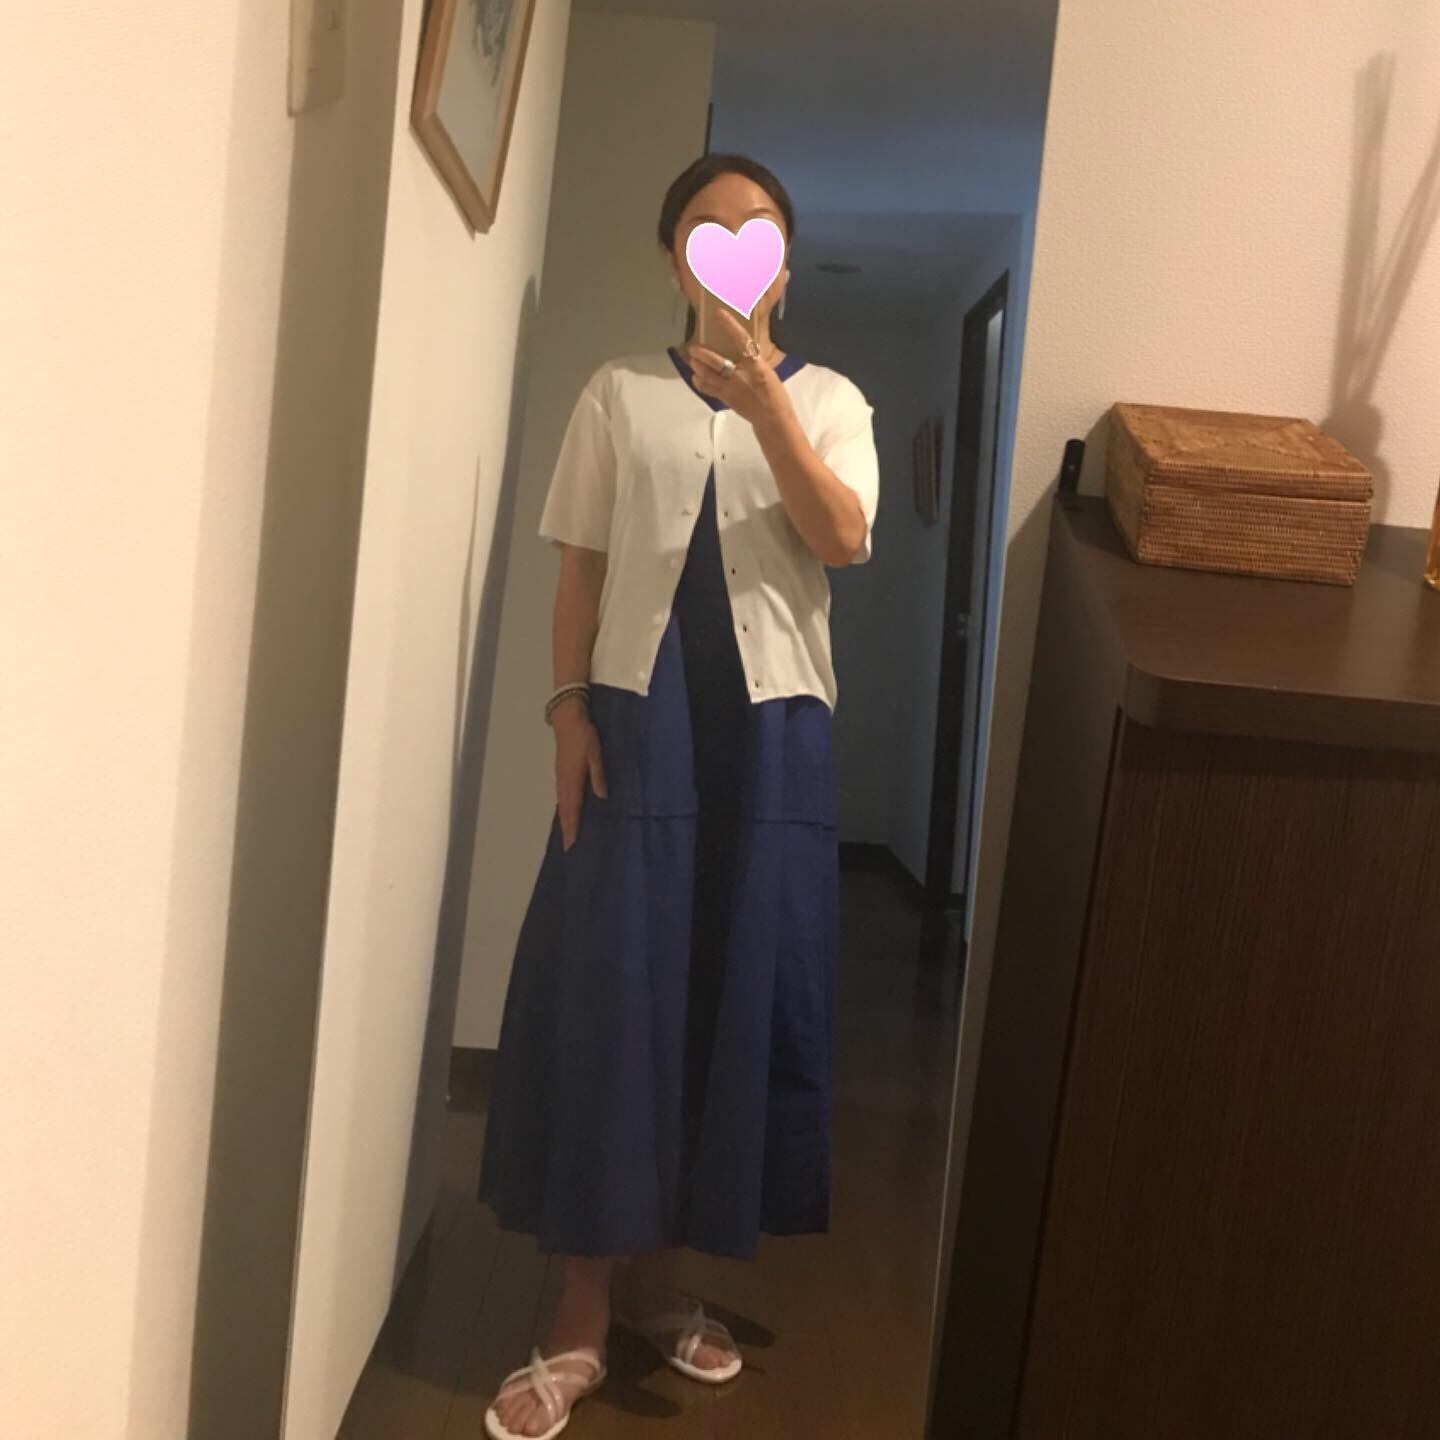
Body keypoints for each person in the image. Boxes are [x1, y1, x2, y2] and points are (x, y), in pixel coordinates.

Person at [479, 151, 879, 1439]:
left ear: (785, 266)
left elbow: (843, 537)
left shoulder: (832, 401)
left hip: (772, 738)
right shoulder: (618, 393)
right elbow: (580, 572)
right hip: (637, 726)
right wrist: (565, 714)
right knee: (613, 995)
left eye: (760, 230)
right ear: (674, 258)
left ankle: (659, 1289)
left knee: (720, 987)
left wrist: (767, 407)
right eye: (709, 228)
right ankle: (578, 1317)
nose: (735, 246)